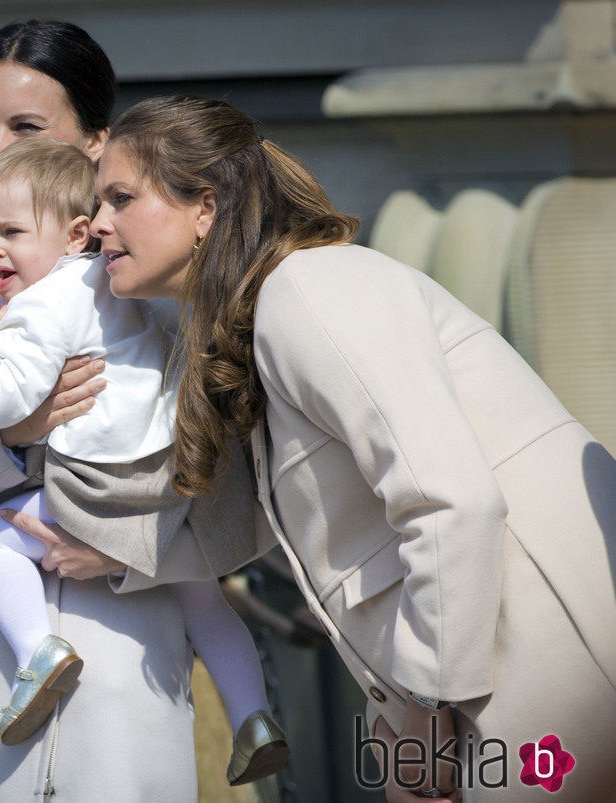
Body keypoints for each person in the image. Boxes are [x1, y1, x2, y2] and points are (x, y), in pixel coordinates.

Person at [65, 94, 614, 802]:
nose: (100, 223)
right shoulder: (265, 316)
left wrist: (422, 707)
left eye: (120, 197)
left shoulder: (309, 289)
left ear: (206, 207)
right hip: (500, 698)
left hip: (558, 678)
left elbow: (452, 502)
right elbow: (249, 525)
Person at [0, 23, 272, 801]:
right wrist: (4, 439)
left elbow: (238, 499)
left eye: (26, 126)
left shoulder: (154, 289)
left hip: (125, 721)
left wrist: (127, 553)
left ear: (95, 145)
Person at [0, 135, 288, 783]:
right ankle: (254, 716)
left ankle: (38, 652)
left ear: (76, 233)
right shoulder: (111, 276)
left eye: (8, 232)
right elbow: (40, 235)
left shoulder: (40, 306)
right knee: (204, 600)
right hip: (168, 470)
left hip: (99, 480)